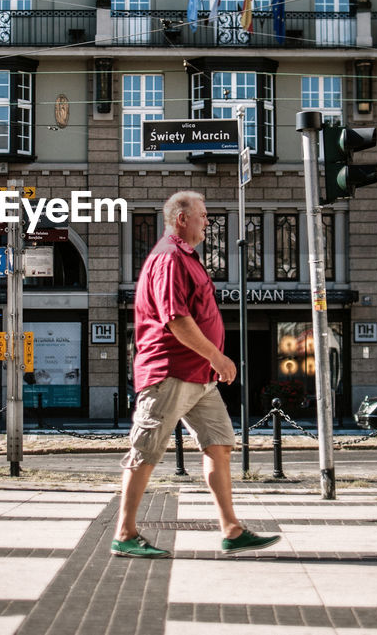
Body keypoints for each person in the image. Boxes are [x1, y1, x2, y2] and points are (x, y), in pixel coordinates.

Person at [112, 190, 280, 559]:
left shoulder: (188, 258)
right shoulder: (169, 258)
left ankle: (232, 530)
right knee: (145, 452)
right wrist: (219, 358)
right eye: (203, 215)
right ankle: (124, 533)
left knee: (219, 445)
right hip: (170, 371)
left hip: (199, 376)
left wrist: (212, 363)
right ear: (181, 219)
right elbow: (176, 320)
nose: (208, 221)